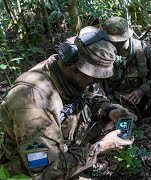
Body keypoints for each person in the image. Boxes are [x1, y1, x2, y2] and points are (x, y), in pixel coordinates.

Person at [0, 26, 135, 179]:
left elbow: (91, 96)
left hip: (63, 154)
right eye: (93, 76)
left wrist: (109, 110)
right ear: (72, 66)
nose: (96, 81)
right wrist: (99, 147)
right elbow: (44, 173)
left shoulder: (71, 75)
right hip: (26, 173)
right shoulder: (32, 101)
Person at [102, 16, 151, 118]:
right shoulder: (103, 51)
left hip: (139, 102)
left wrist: (142, 90)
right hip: (110, 100)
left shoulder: (145, 50)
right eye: (110, 40)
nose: (113, 43)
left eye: (118, 41)